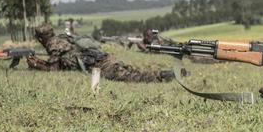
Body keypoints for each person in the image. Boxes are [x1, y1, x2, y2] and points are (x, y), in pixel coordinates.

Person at [26, 24, 176, 82]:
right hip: (101, 59)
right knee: (130, 72)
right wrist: (38, 62)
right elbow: (58, 63)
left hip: (100, 64)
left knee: (131, 76)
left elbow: (53, 69)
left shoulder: (54, 44)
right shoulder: (61, 39)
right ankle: (164, 74)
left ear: (40, 38)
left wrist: (35, 65)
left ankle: (163, 75)